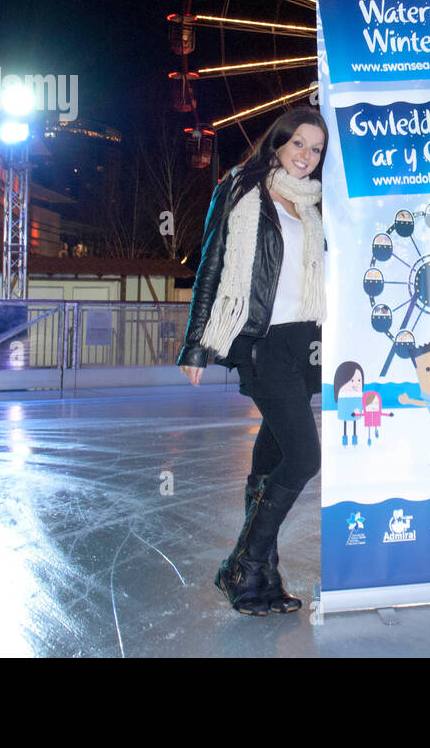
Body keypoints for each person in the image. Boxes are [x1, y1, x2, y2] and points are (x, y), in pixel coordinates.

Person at [177, 107, 327, 617]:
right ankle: (242, 563)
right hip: (258, 342)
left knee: (271, 461)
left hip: (303, 343)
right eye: (299, 144)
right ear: (278, 142)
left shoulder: (314, 206)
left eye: (316, 150)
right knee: (306, 456)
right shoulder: (241, 189)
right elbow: (212, 263)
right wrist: (196, 343)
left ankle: (263, 577)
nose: (306, 157)